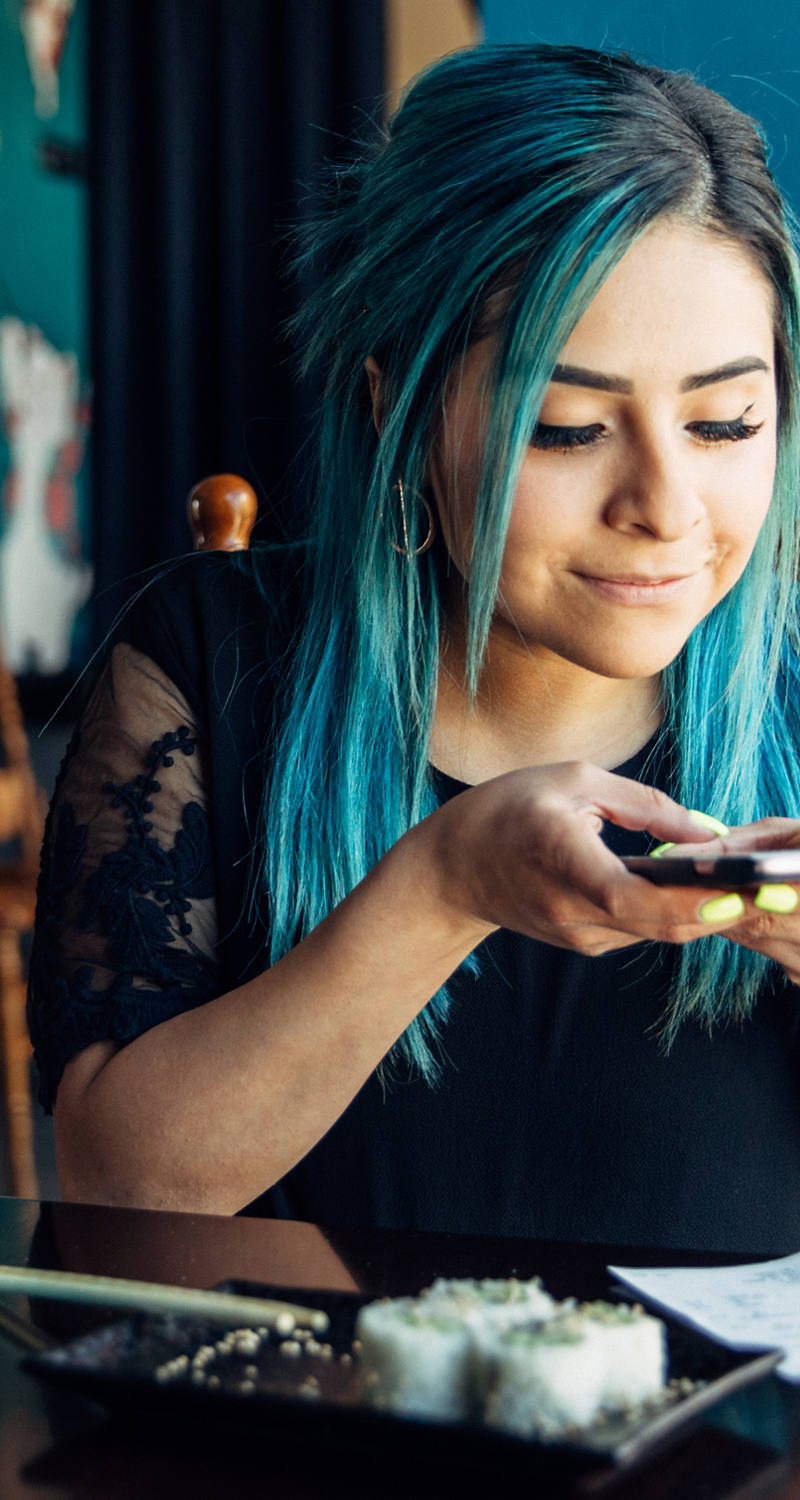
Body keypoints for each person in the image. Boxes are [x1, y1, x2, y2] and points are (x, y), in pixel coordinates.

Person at [28, 44, 800, 1252]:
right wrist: (443, 885)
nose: (665, 504)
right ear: (400, 409)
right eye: (567, 428)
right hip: (309, 1438)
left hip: (737, 1442)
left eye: (722, 421)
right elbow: (116, 1195)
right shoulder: (210, 666)